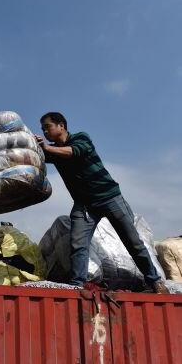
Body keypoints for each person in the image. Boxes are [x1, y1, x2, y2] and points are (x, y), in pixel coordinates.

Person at [36, 112, 168, 293]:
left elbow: (74, 152)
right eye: (42, 129)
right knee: (78, 245)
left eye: (47, 127)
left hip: (109, 197)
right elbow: (36, 155)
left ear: (61, 125)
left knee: (133, 242)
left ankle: (154, 281)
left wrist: (46, 148)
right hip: (84, 205)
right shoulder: (53, 151)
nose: (45, 132)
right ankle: (77, 285)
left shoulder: (81, 138)